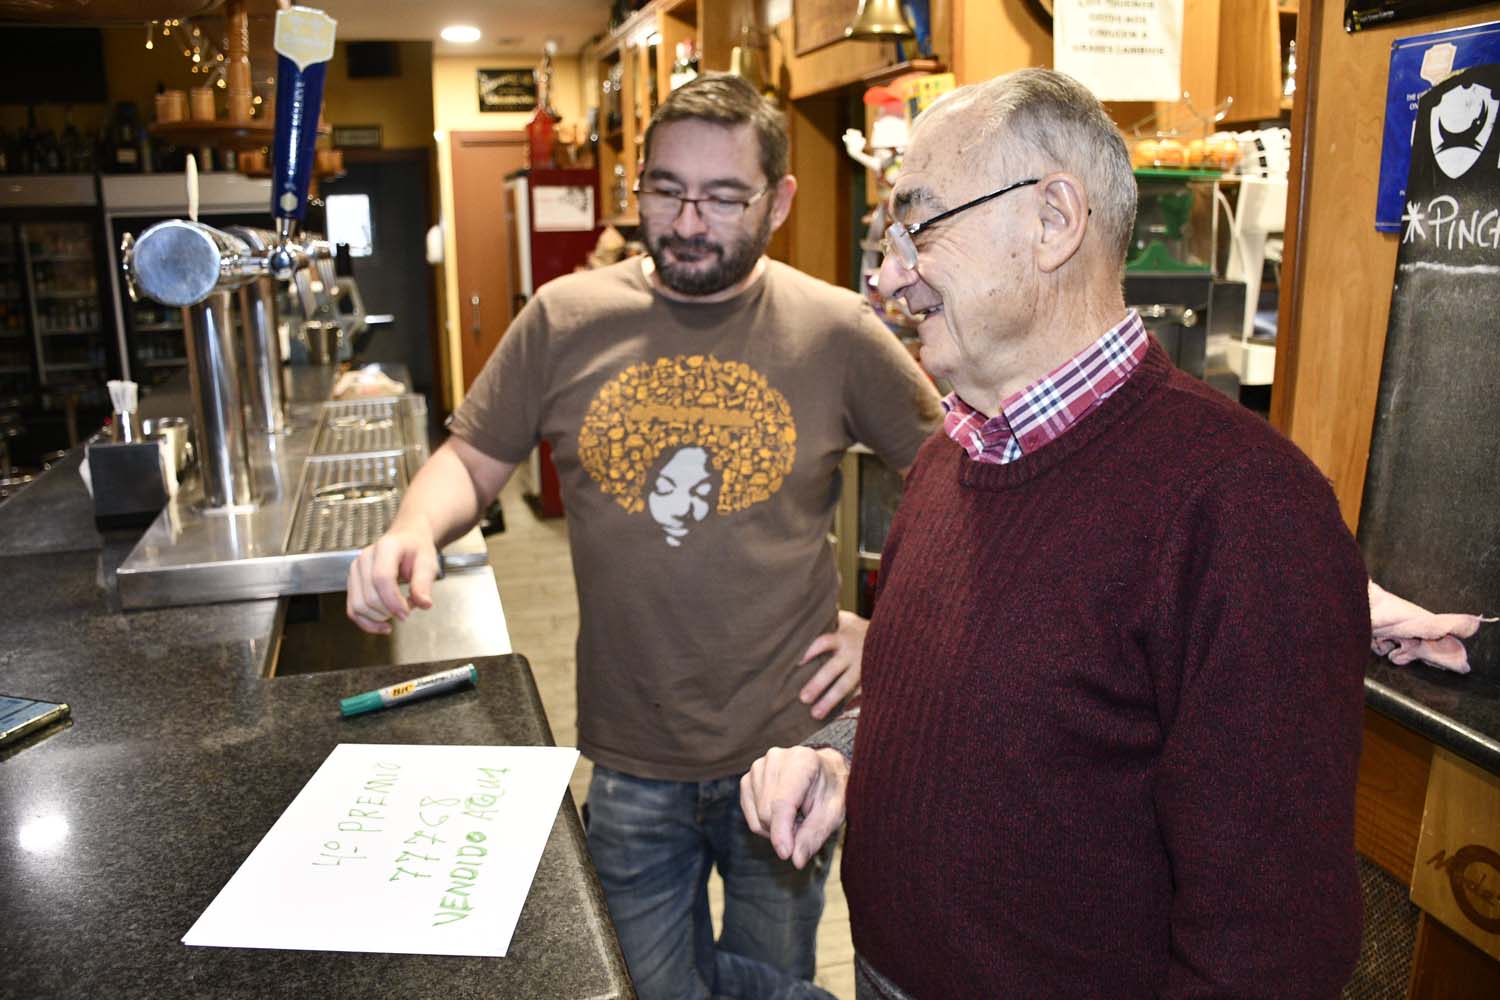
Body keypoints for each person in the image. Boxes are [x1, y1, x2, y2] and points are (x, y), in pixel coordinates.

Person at [740, 68, 1370, 999]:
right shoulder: (956, 453)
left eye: (918, 228)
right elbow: (985, 709)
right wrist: (842, 755)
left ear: (1053, 220)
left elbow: (1271, 943)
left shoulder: (1244, 510)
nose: (886, 276)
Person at [346, 72, 941, 1000]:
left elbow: (959, 488)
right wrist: (412, 528)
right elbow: (473, 457)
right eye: (666, 190)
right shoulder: (565, 318)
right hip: (631, 755)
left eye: (724, 197)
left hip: (787, 754)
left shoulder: (835, 329)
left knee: (768, 986)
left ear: (780, 200)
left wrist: (892, 633)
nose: (689, 222)